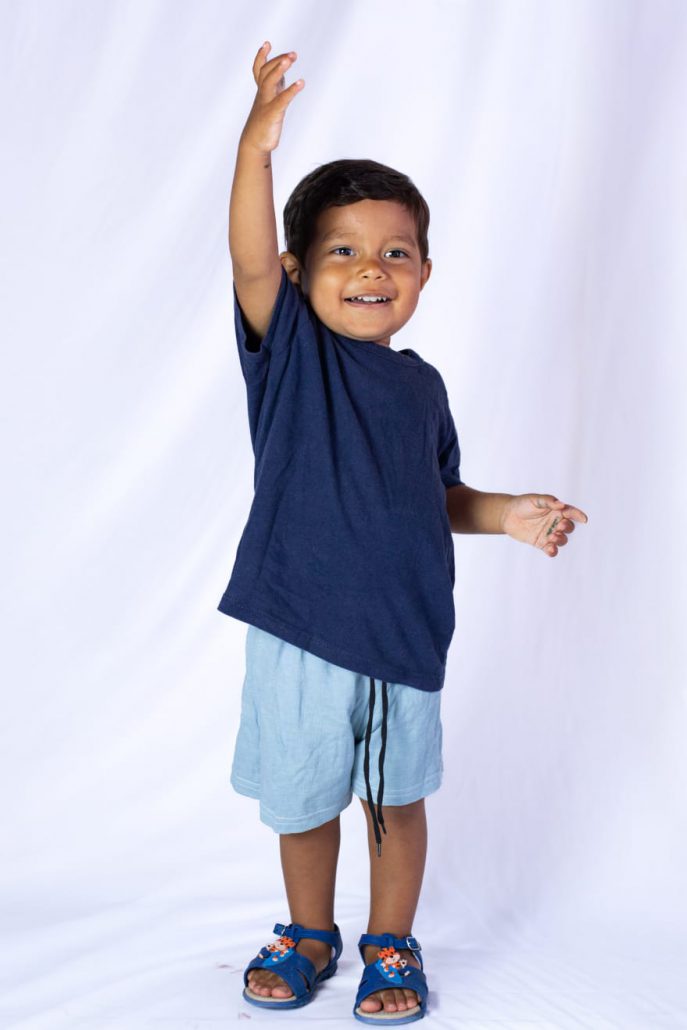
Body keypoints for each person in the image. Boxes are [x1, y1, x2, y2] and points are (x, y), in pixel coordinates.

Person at [216, 42, 589, 1025]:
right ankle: (309, 932)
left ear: (424, 270)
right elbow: (249, 257)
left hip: (402, 635)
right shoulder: (290, 355)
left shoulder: (422, 387)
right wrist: (255, 151)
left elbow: (440, 496)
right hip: (299, 627)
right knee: (304, 800)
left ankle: (390, 940)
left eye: (394, 252)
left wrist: (509, 514)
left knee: (393, 802)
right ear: (298, 272)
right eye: (342, 251)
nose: (370, 269)